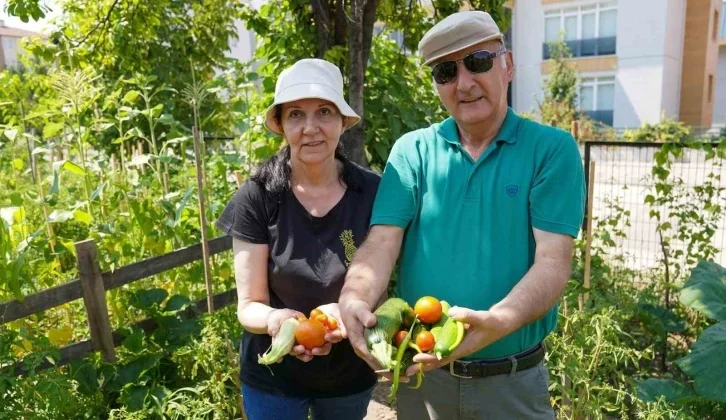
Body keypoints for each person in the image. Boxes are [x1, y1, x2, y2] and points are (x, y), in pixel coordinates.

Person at [339, 11, 585, 419]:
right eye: (446, 71)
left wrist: (499, 320)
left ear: (507, 65)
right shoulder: (412, 151)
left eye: (478, 62)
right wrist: (354, 295)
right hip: (424, 379)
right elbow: (382, 241)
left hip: (513, 384)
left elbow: (553, 262)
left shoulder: (551, 150)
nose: (464, 83)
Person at [215, 58, 380, 420]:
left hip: (349, 373)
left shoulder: (371, 193)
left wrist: (348, 309)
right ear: (281, 126)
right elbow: (250, 304)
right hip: (273, 377)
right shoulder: (257, 197)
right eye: (295, 115)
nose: (310, 128)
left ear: (341, 121)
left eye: (323, 111)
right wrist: (276, 320)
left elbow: (381, 285)